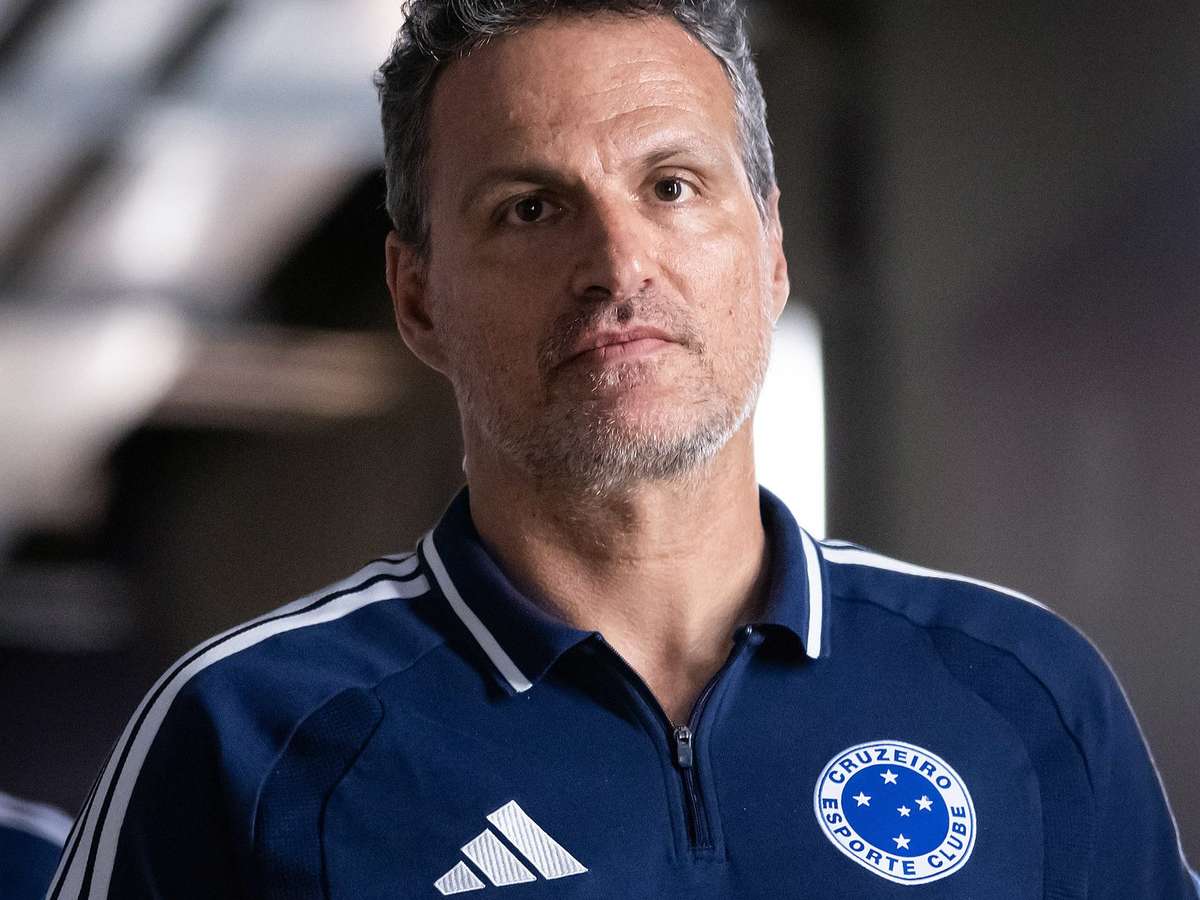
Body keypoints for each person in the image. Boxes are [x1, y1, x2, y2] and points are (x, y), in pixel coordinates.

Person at [49, 0, 1196, 897]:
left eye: (672, 185)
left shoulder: (1024, 690)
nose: (618, 263)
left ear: (772, 249)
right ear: (418, 298)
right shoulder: (248, 736)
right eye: (530, 209)